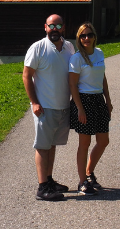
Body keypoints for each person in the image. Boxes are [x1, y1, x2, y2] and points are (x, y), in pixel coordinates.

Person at [23, 13, 75, 201]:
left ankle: (49, 180)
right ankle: (42, 187)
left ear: (63, 28)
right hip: (44, 107)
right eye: (51, 26)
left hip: (63, 107)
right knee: (43, 147)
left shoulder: (69, 47)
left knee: (52, 145)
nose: (55, 30)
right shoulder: (37, 48)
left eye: (58, 26)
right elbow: (26, 76)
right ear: (45, 27)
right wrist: (35, 102)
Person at [68, 22, 113, 196]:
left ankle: (89, 172)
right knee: (84, 144)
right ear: (79, 39)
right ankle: (82, 183)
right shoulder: (77, 58)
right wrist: (79, 108)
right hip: (84, 100)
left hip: (99, 99)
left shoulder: (99, 53)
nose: (86, 38)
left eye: (89, 35)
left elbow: (103, 78)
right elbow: (72, 84)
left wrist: (108, 100)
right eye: (83, 36)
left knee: (103, 141)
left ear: (94, 36)